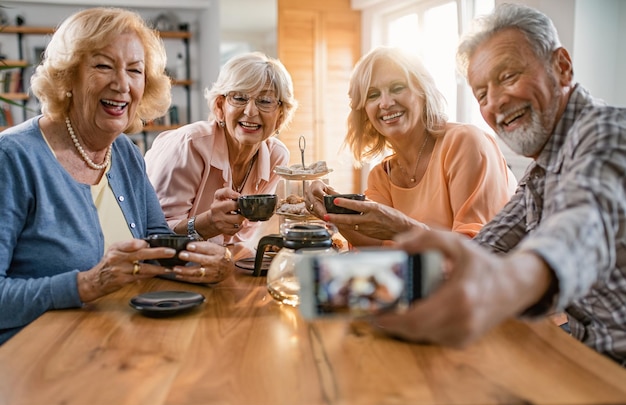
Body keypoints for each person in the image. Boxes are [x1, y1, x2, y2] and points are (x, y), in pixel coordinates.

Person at [373, 3, 626, 366]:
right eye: (481, 94)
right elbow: (489, 247)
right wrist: (381, 287)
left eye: (508, 77)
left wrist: (502, 288)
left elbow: (580, 227)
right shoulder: (543, 169)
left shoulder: (606, 133)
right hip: (585, 353)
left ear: (562, 66)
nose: (496, 102)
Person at [0, 8, 232, 346]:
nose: (122, 84)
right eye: (102, 65)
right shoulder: (13, 157)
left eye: (135, 70)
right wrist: (87, 284)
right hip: (36, 359)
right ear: (68, 77)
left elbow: (158, 243)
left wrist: (206, 262)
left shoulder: (123, 152)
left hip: (119, 344)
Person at [306, 46, 516, 247]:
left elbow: (479, 249)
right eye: (373, 95)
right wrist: (330, 207)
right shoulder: (382, 176)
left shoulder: (464, 143)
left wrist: (403, 229)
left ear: (423, 92)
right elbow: (373, 247)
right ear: (364, 111)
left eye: (397, 88)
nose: (385, 103)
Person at [144, 51, 297, 258]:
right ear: (220, 106)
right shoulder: (190, 146)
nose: (251, 111)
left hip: (218, 265)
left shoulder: (276, 157)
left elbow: (238, 238)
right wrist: (208, 224)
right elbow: (153, 235)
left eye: (266, 101)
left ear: (281, 115)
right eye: (240, 98)